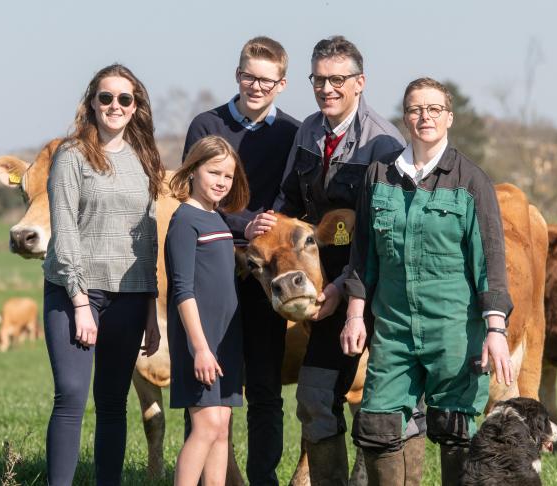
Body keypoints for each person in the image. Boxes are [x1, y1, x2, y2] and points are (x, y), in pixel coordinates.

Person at [246, 35, 422, 485]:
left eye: (337, 79)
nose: (327, 89)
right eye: (319, 79)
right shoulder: (308, 131)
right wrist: (263, 226)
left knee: (385, 410)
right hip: (325, 292)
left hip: (378, 294)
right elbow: (288, 198)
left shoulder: (384, 146)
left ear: (360, 83)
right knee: (315, 399)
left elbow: (385, 236)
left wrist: (345, 287)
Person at [340, 77, 514, 485]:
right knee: (378, 427)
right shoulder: (379, 176)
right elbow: (362, 254)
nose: (425, 117)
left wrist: (496, 330)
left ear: (449, 117)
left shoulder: (471, 182)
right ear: (405, 117)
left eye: (434, 109)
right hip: (394, 327)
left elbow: (490, 262)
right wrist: (354, 315)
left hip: (453, 328)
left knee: (454, 431)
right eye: (416, 109)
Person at [182, 36, 300, 486]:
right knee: (208, 384)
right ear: (237, 74)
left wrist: (265, 228)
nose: (256, 86)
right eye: (249, 76)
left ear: (282, 84)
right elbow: (192, 195)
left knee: (266, 387)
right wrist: (246, 224)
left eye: (266, 80)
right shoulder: (205, 126)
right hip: (212, 271)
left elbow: (290, 197)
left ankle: (262, 478)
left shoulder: (292, 132)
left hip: (263, 277)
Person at [42, 63, 163, 485]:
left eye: (124, 99)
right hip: (73, 293)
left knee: (113, 402)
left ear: (136, 107)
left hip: (129, 297)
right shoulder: (71, 155)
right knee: (71, 397)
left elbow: (147, 239)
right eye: (106, 97)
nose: (115, 105)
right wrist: (79, 302)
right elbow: (65, 229)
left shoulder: (145, 159)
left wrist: (150, 309)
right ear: (92, 103)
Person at [166, 135, 251, 486]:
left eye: (228, 176)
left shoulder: (219, 219)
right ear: (193, 171)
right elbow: (183, 290)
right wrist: (200, 347)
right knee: (206, 426)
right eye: (213, 172)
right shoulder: (185, 220)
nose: (221, 182)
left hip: (226, 339)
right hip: (199, 340)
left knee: (222, 428)